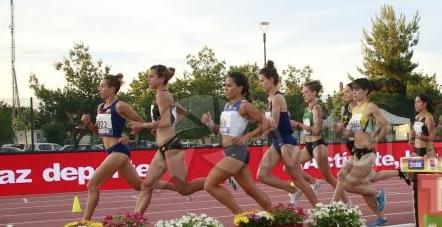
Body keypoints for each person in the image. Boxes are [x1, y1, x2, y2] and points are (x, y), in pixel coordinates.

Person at [79, 73, 177, 221]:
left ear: (112, 89)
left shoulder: (120, 105)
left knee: (92, 185)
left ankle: (84, 222)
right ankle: (177, 187)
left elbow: (140, 122)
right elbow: (99, 132)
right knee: (140, 186)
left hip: (119, 151)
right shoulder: (100, 107)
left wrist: (130, 136)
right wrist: (88, 124)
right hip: (110, 151)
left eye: (102, 86)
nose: (99, 89)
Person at [130, 65, 203, 214]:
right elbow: (179, 115)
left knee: (185, 189)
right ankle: (135, 220)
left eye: (151, 76)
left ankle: (220, 177)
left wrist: (142, 125)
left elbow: (166, 121)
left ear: (161, 79)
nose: (147, 79)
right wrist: (159, 126)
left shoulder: (163, 95)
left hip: (171, 146)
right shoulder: (161, 95)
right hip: (162, 147)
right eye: (148, 76)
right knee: (147, 185)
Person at [201, 72, 275, 215]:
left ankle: (240, 216)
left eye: (229, 85)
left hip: (237, 152)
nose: (225, 88)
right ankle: (275, 213)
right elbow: (222, 132)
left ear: (240, 88)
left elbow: (267, 123)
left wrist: (248, 135)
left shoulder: (244, 106)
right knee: (250, 190)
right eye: (225, 85)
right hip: (230, 151)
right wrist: (209, 124)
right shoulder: (228, 106)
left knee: (209, 185)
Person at [255, 61, 320, 207]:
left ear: (271, 80)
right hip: (276, 142)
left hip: (287, 142)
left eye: (262, 80)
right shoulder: (269, 99)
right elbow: (272, 123)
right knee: (262, 175)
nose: (260, 84)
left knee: (300, 181)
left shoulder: (278, 97)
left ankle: (319, 211)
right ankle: (292, 190)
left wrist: (259, 120)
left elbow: (275, 123)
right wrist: (263, 129)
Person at [332, 78, 389, 227]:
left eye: (357, 90)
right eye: (354, 90)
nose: (354, 92)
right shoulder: (355, 109)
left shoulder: (370, 107)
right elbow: (351, 133)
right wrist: (341, 129)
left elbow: (386, 126)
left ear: (365, 91)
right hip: (356, 151)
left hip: (367, 152)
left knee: (348, 185)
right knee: (342, 176)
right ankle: (381, 216)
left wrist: (376, 139)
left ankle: (378, 192)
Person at [288, 80, 335, 205]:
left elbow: (316, 130)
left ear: (314, 93)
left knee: (329, 178)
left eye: (306, 92)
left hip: (318, 144)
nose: (303, 94)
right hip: (308, 145)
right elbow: (307, 129)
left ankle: (346, 201)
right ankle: (313, 181)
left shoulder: (316, 108)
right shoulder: (307, 109)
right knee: (288, 166)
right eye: (302, 92)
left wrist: (297, 124)